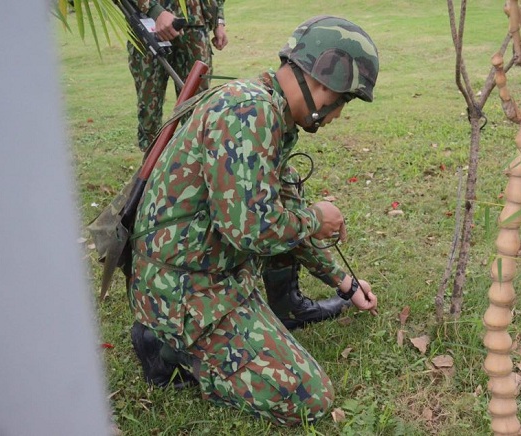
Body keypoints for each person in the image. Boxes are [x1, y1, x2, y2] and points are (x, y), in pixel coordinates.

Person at [128, 15, 380, 425]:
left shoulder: (269, 110)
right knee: (309, 397)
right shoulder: (249, 113)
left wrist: (345, 282)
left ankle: (281, 310)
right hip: (184, 292)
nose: (338, 115)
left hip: (209, 272)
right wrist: (316, 218)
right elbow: (253, 231)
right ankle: (167, 347)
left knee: (289, 207)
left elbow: (278, 211)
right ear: (324, 86)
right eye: (344, 102)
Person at [129, 0, 229, 151]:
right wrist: (156, 11)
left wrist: (218, 21)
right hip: (149, 23)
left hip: (195, 26)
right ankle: (150, 167)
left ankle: (192, 164)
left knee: (197, 105)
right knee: (149, 106)